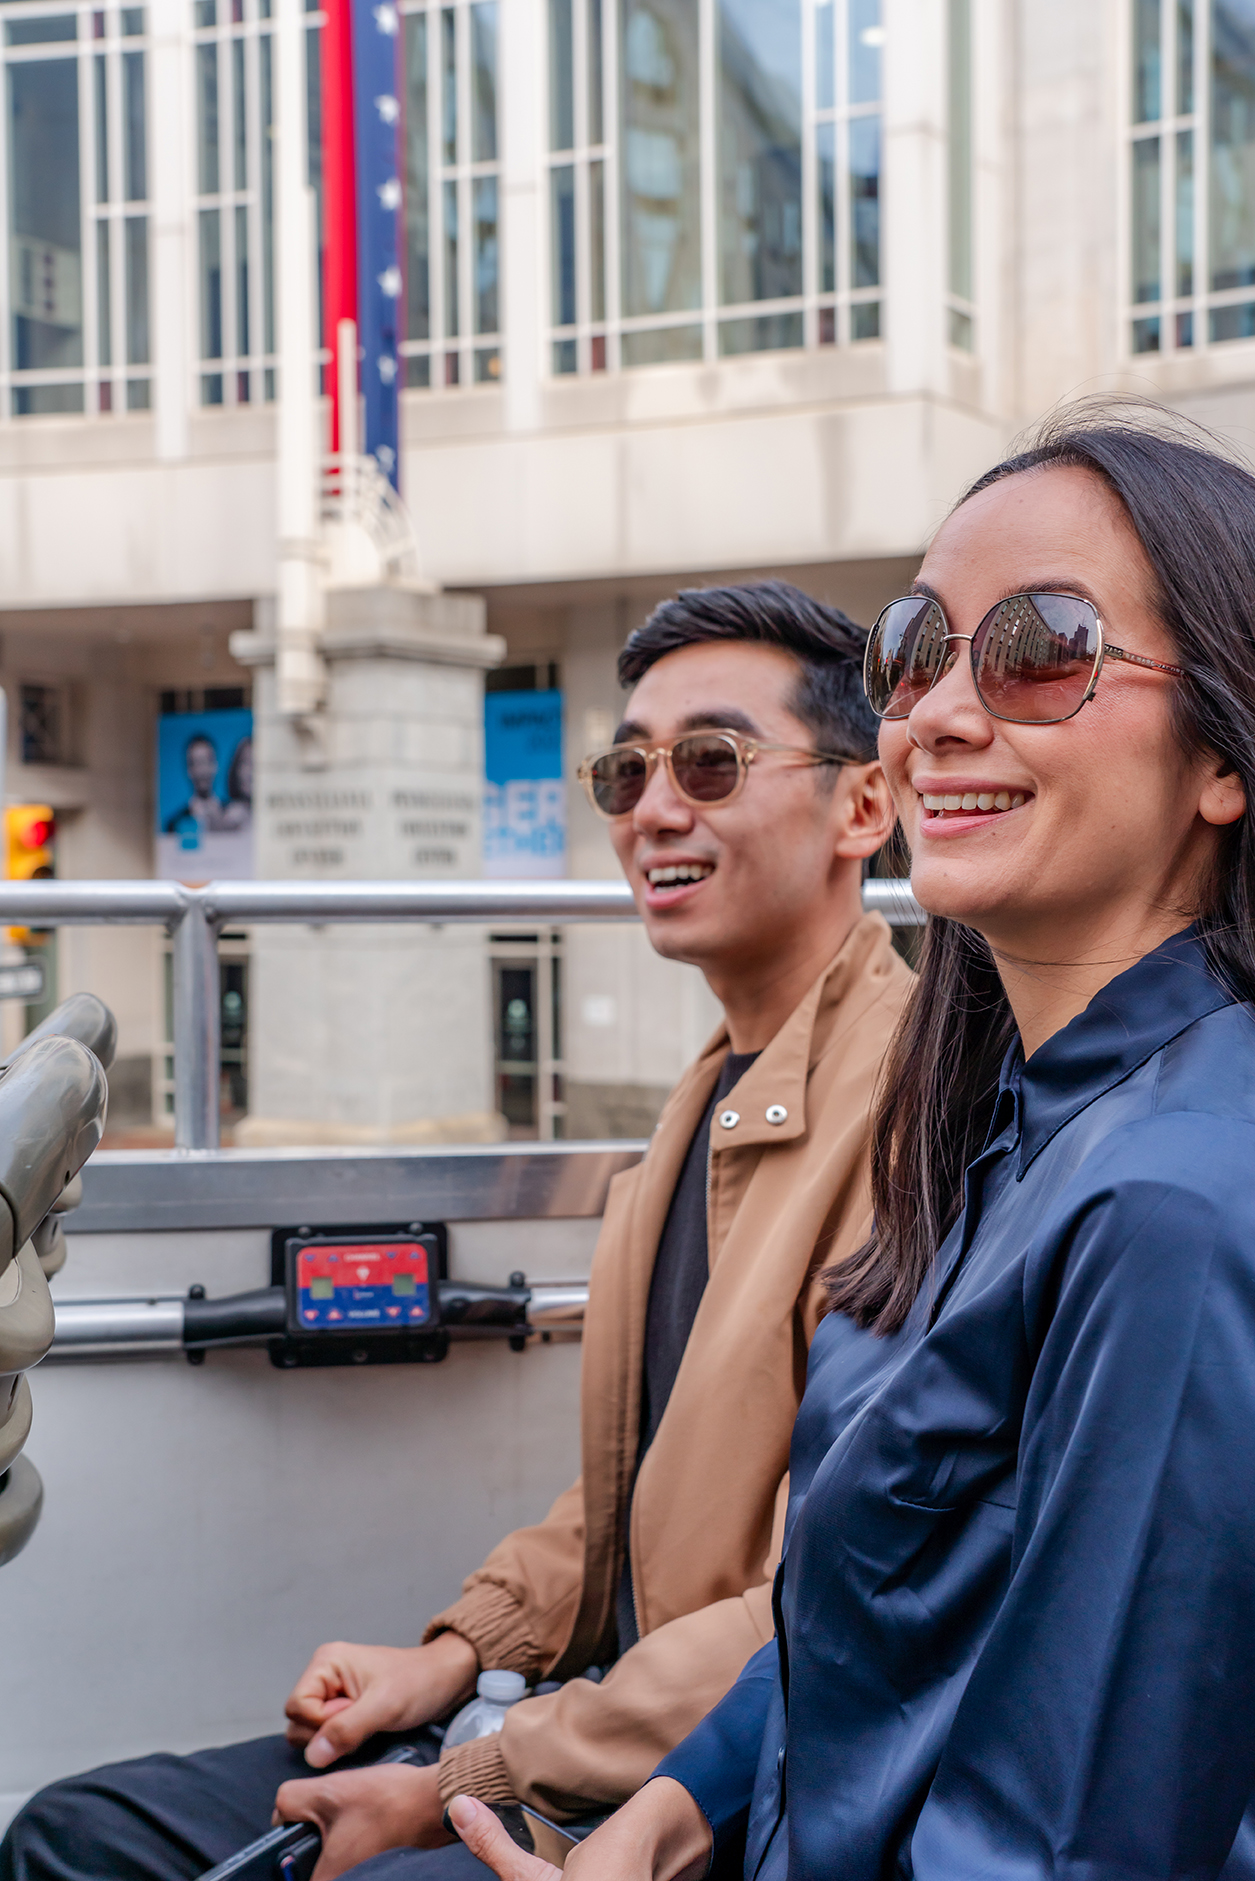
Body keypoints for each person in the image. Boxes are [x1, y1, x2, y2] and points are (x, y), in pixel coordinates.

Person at [449, 407, 1255, 1881]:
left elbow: (1073, 1840)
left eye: (1038, 647)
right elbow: (880, 1617)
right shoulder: (1006, 1127)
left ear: (1223, 752)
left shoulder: (1172, 1204)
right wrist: (674, 1805)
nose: (937, 709)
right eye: (914, 651)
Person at [2, 580, 912, 1881]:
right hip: (575, 1722)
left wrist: (461, 1773)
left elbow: (809, 1607)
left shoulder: (907, 1121)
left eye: (709, 763)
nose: (653, 807)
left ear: (861, 806)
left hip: (705, 1788)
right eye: (624, 770)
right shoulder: (703, 1095)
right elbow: (625, 1497)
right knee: (74, 1831)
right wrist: (450, 1653)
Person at [164, 732, 228, 835]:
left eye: (207, 762)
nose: (202, 771)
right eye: (196, 763)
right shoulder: (175, 823)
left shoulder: (233, 814)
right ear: (188, 770)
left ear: (216, 766)